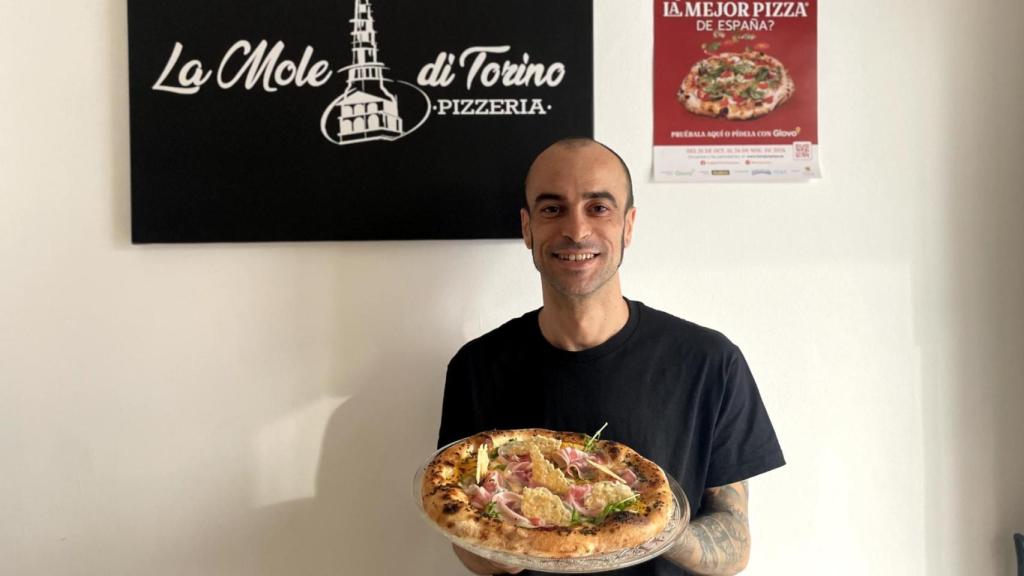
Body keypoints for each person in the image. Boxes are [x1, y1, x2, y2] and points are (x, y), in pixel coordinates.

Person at [436, 138, 785, 576]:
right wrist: (513, 526)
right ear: (527, 228)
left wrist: (651, 526)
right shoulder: (475, 367)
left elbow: (733, 542)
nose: (577, 230)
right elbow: (463, 535)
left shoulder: (710, 361)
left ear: (629, 225)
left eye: (598, 208)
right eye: (552, 209)